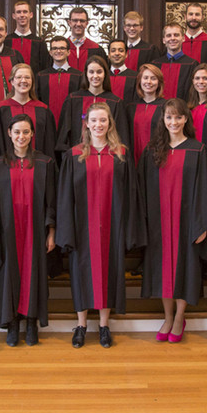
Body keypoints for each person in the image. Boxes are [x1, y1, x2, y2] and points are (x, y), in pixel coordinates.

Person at [56, 103, 139, 348]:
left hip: (112, 227)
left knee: (110, 273)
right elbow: (65, 197)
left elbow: (131, 194)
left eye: (103, 120)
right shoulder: (74, 155)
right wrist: (66, 230)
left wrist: (128, 228)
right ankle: (81, 325)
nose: (99, 125)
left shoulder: (121, 154)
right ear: (87, 124)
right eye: (94, 120)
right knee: (81, 274)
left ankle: (104, 326)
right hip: (82, 228)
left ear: (110, 123)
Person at [138, 98, 207, 343]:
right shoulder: (152, 150)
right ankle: (168, 316)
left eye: (178, 117)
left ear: (186, 119)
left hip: (187, 223)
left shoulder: (198, 150)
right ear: (163, 120)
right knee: (163, 270)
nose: (174, 122)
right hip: (159, 223)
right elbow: (141, 188)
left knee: (185, 269)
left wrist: (202, 224)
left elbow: (206, 188)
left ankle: (180, 317)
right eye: (169, 117)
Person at [0, 114, 56, 347]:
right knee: (8, 275)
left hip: (35, 231)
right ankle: (11, 322)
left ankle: (31, 321)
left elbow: (52, 201)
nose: (21, 136)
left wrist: (51, 232)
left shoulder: (46, 163)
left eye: (26, 132)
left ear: (33, 134)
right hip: (7, 231)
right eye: (17, 132)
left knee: (34, 274)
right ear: (9, 134)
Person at [0, 63, 56, 166]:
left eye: (27, 77)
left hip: (38, 168)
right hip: (7, 168)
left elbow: (49, 145)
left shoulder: (43, 110)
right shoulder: (0, 110)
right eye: (19, 77)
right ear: (12, 81)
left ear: (32, 82)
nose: (23, 81)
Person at [56, 55, 129, 153]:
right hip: (78, 157)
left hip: (107, 157)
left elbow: (121, 136)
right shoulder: (73, 100)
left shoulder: (115, 102)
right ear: (86, 74)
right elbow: (64, 135)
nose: (95, 76)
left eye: (99, 72)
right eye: (91, 72)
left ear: (105, 74)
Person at [126, 63, 167, 166]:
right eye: (145, 78)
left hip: (157, 158)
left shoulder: (166, 107)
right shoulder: (130, 107)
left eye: (153, 78)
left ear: (159, 82)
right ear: (140, 81)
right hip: (133, 158)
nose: (149, 82)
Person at [36, 35, 82, 125]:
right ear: (50, 52)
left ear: (68, 52)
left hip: (71, 122)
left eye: (62, 48)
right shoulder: (41, 76)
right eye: (55, 48)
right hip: (46, 122)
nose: (58, 51)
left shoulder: (79, 76)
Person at [152, 22, 197, 100]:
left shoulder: (192, 64)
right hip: (159, 109)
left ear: (183, 38)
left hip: (183, 109)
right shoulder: (155, 64)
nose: (172, 38)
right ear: (164, 40)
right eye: (169, 35)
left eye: (176, 35)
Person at [7, 0, 50, 74]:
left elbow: (45, 68)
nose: (22, 15)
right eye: (18, 12)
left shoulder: (40, 42)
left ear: (31, 15)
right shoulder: (6, 41)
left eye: (25, 12)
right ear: (13, 16)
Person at [66, 6, 108, 71]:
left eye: (82, 21)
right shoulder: (61, 48)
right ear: (69, 23)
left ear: (87, 23)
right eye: (75, 20)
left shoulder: (96, 49)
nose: (78, 24)